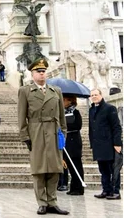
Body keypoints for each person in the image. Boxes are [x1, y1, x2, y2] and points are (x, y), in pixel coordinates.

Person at [17, 57, 69, 215]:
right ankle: (42, 202)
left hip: (54, 132)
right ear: (32, 74)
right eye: (38, 72)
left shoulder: (56, 91)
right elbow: (21, 116)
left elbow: (61, 116)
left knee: (54, 169)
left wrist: (63, 134)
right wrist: (25, 136)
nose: (41, 74)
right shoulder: (25, 91)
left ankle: (52, 201)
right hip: (36, 131)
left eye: (43, 71)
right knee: (39, 170)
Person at [89, 88, 122, 200]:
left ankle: (116, 192)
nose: (94, 96)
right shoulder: (91, 110)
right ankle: (106, 190)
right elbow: (91, 129)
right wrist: (92, 144)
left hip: (110, 145)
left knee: (114, 169)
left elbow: (116, 127)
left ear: (101, 95)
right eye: (92, 95)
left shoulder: (109, 108)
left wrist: (117, 144)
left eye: (96, 94)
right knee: (103, 170)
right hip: (98, 146)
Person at [62, 95, 84, 196]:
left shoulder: (75, 112)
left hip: (74, 142)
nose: (62, 102)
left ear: (70, 101)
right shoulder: (62, 112)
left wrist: (65, 127)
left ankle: (79, 188)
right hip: (66, 142)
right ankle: (73, 187)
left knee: (76, 165)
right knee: (70, 166)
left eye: (64, 100)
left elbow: (78, 125)